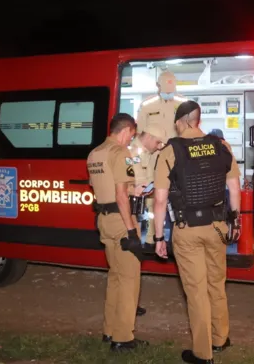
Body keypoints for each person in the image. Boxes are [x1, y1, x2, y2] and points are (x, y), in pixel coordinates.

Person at [151, 101, 242, 364]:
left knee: (196, 290)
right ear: (198, 119)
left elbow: (159, 200)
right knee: (216, 283)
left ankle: (203, 354)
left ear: (181, 121)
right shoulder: (221, 146)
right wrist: (235, 223)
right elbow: (234, 188)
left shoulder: (171, 150)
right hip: (217, 227)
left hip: (187, 229)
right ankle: (221, 338)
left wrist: (159, 237)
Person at [86, 113, 149, 352]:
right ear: (126, 131)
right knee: (130, 280)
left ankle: (109, 330)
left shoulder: (95, 153)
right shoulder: (120, 153)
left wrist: (135, 190)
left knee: (115, 277)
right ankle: (123, 338)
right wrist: (132, 231)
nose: (130, 140)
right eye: (131, 135)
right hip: (121, 221)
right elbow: (121, 196)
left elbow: (103, 187)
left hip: (103, 219)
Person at [128, 125, 167, 251]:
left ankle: (151, 241)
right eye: (157, 142)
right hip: (134, 201)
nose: (158, 146)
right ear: (149, 137)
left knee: (153, 210)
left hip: (149, 195)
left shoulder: (151, 151)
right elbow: (137, 182)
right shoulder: (132, 151)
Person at [136, 70, 190, 142]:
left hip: (176, 148)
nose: (168, 93)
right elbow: (140, 133)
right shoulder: (147, 104)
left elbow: (190, 130)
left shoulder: (184, 103)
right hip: (153, 149)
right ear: (157, 85)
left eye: (170, 91)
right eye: (166, 90)